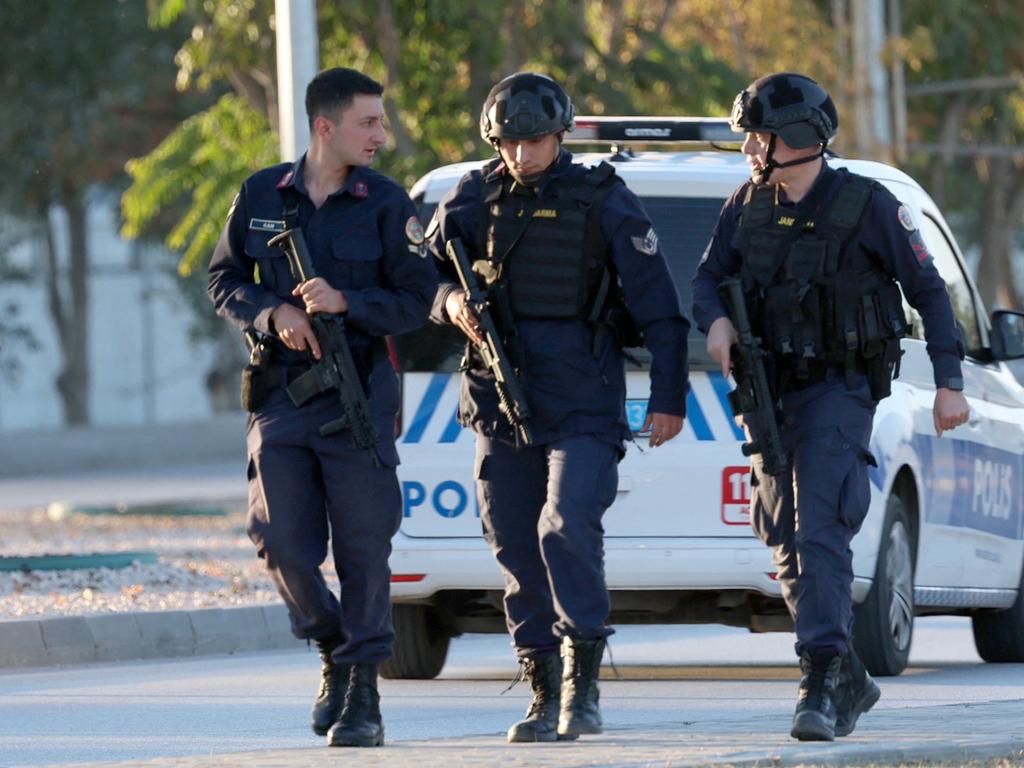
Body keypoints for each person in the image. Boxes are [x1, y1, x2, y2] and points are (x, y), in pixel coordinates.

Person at [692, 72, 971, 741]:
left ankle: (818, 675)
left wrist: (951, 382)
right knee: (785, 537)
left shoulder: (868, 206)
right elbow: (706, 278)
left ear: (797, 138)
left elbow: (930, 292)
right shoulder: (746, 204)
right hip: (770, 390)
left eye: (757, 137)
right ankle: (846, 670)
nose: (750, 151)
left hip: (839, 391)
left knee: (819, 526)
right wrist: (717, 324)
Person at [428, 71, 690, 743]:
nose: (522, 155)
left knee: (565, 524)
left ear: (559, 135)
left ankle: (583, 684)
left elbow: (661, 309)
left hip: (583, 399)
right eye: (510, 143)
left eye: (535, 141)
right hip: (498, 400)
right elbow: (418, 281)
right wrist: (451, 303)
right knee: (515, 544)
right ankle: (543, 688)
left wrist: (668, 399)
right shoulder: (469, 197)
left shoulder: (603, 200)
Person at [208, 67, 437, 748]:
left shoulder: (389, 204)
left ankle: (364, 693)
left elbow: (417, 299)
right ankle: (333, 644)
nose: (382, 135)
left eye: (382, 121)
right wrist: (271, 310)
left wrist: (348, 303)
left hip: (359, 397)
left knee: (365, 549)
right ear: (325, 127)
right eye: (369, 122)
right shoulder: (260, 194)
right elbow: (223, 280)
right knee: (279, 542)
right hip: (282, 397)